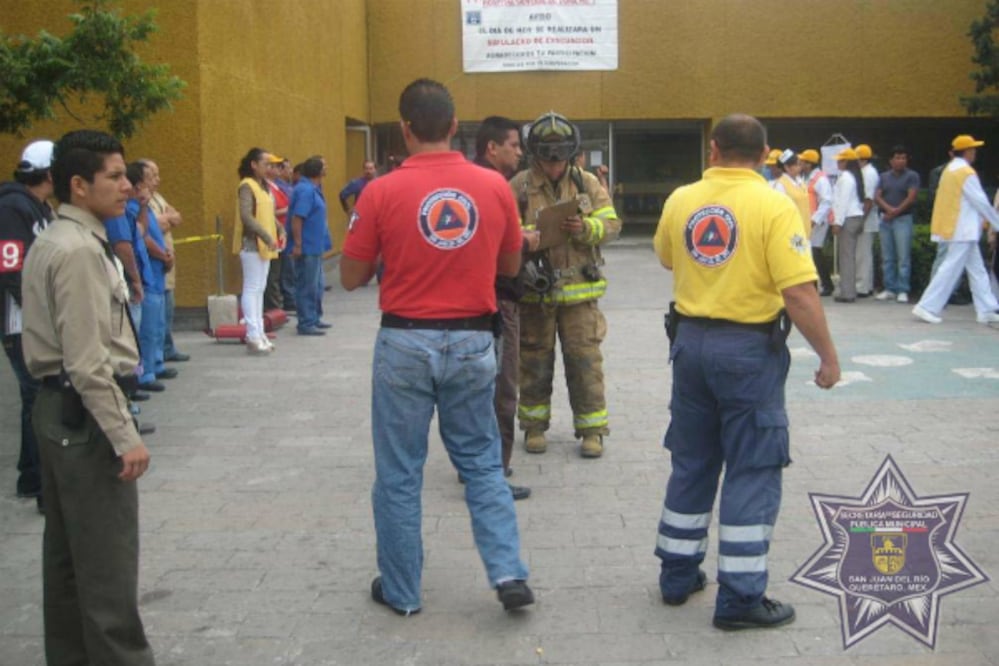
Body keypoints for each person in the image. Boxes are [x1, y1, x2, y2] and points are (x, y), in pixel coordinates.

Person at [340, 78, 533, 615]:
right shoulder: (494, 187)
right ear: (454, 127)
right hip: (474, 339)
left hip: (404, 339)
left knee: (400, 471)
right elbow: (511, 267)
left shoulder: (380, 192)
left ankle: (402, 592)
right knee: (481, 461)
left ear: (404, 129)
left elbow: (352, 276)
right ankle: (508, 571)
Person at [652, 113, 840, 631]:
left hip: (689, 345)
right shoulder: (774, 205)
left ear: (713, 150)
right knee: (752, 468)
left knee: (692, 460)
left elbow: (669, 259)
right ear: (762, 155)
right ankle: (739, 598)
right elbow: (799, 292)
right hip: (747, 351)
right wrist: (828, 356)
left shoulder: (681, 199)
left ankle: (677, 574)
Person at [21, 128, 154, 665]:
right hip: (85, 417)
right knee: (106, 569)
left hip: (61, 412)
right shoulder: (76, 250)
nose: (128, 186)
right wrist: (125, 436)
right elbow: (86, 363)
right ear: (78, 185)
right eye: (115, 176)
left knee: (69, 564)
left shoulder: (65, 237)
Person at [509, 111, 622, 459]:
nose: (554, 167)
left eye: (560, 160)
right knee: (533, 361)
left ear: (571, 155)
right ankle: (533, 427)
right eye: (547, 159)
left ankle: (592, 431)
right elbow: (506, 232)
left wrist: (587, 229)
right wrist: (527, 237)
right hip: (535, 294)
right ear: (535, 155)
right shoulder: (519, 187)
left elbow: (612, 224)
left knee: (585, 361)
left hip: (580, 297)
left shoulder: (587, 183)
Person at [473, 115, 540, 501]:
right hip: (499, 299)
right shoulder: (494, 185)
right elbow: (504, 250)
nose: (519, 151)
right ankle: (494, 472)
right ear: (492, 147)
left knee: (483, 387)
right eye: (513, 145)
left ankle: (480, 464)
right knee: (502, 387)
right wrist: (528, 240)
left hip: (482, 298)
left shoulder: (475, 184)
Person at [0, 139, 55, 512]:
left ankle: (30, 473)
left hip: (31, 317)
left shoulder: (38, 206)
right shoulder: (13, 208)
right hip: (20, 320)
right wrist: (38, 313)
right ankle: (38, 483)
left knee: (32, 396)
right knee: (38, 396)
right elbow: (10, 266)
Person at [912, 135, 999, 324]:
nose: (974, 152)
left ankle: (986, 309)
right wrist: (996, 222)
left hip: (958, 228)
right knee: (950, 269)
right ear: (967, 151)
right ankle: (926, 306)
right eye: (973, 149)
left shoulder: (951, 169)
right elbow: (981, 202)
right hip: (962, 229)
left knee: (977, 270)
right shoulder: (965, 172)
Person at [234, 148, 283, 354]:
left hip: (266, 244)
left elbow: (268, 213)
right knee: (253, 288)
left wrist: (280, 229)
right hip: (253, 245)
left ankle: (259, 332)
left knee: (259, 289)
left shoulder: (265, 187)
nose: (269, 168)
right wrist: (266, 235)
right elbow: (247, 216)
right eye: (266, 164)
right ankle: (253, 335)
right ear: (253, 165)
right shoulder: (247, 186)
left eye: (271, 165)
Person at [142, 159, 189, 363]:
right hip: (156, 263)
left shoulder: (157, 197)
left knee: (167, 310)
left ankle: (166, 349)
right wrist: (164, 219)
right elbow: (155, 226)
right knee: (157, 314)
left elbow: (176, 217)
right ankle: (158, 356)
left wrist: (167, 218)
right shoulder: (142, 202)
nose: (157, 180)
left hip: (167, 264)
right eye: (153, 176)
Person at [289, 156, 331, 335]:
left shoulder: (313, 188)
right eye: (325, 166)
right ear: (318, 171)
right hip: (307, 247)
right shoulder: (306, 191)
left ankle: (313, 317)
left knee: (316, 284)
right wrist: (298, 244)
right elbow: (298, 218)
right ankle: (306, 322)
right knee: (307, 285)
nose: (327, 168)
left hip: (315, 245)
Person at [874, 146, 920, 303]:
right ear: (891, 160)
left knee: (903, 256)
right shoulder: (884, 176)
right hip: (886, 219)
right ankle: (889, 288)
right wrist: (888, 210)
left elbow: (911, 197)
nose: (901, 161)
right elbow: (877, 196)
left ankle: (903, 289)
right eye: (898, 158)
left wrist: (895, 211)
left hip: (903, 219)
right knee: (887, 256)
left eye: (904, 158)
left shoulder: (912, 176)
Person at [831, 147, 866, 302]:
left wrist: (837, 222)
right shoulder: (853, 176)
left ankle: (847, 293)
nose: (838, 163)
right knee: (848, 256)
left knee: (846, 257)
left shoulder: (846, 178)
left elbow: (842, 202)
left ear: (847, 162)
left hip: (848, 218)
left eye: (841, 160)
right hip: (854, 217)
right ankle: (848, 290)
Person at [799, 149, 835, 296]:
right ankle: (821, 284)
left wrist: (815, 219)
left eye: (802, 161)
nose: (800, 163)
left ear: (809, 164)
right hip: (809, 220)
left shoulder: (820, 179)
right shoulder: (806, 177)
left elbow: (826, 201)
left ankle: (825, 284)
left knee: (815, 251)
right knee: (812, 252)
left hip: (817, 222)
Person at [264, 154, 289, 311]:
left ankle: (276, 305)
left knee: (277, 273)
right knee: (272, 275)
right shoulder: (266, 188)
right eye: (274, 166)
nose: (278, 169)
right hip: (272, 235)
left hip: (280, 235)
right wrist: (288, 209)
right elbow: (269, 211)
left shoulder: (276, 186)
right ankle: (274, 307)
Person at [854, 145, 879, 298]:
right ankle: (866, 285)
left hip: (866, 219)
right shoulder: (866, 171)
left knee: (862, 254)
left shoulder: (868, 173)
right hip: (866, 218)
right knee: (864, 254)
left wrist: (861, 221)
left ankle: (862, 286)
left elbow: (868, 200)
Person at [769, 149, 810, 237]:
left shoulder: (801, 182)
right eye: (797, 165)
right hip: (791, 233)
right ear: (787, 167)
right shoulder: (780, 185)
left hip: (804, 230)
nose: (800, 167)